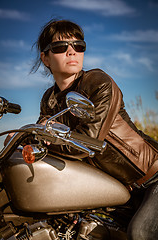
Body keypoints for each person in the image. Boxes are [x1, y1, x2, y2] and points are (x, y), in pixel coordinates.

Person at [32, 18, 158, 240]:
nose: (72, 52)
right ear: (45, 58)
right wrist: (20, 139)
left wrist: (43, 138)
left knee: (141, 233)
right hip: (118, 190)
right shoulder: (49, 100)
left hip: (151, 178)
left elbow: (87, 143)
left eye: (78, 46)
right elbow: (40, 133)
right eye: (61, 47)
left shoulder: (97, 82)